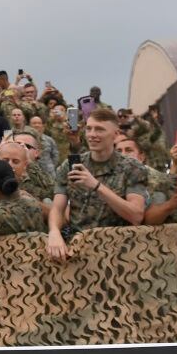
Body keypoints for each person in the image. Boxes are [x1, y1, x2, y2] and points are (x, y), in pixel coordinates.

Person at [46, 109, 148, 261]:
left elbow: (136, 216)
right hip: (78, 250)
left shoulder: (132, 167)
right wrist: (54, 232)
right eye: (89, 129)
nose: (92, 134)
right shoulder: (70, 165)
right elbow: (57, 208)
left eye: (100, 129)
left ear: (115, 134)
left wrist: (96, 185)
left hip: (118, 250)